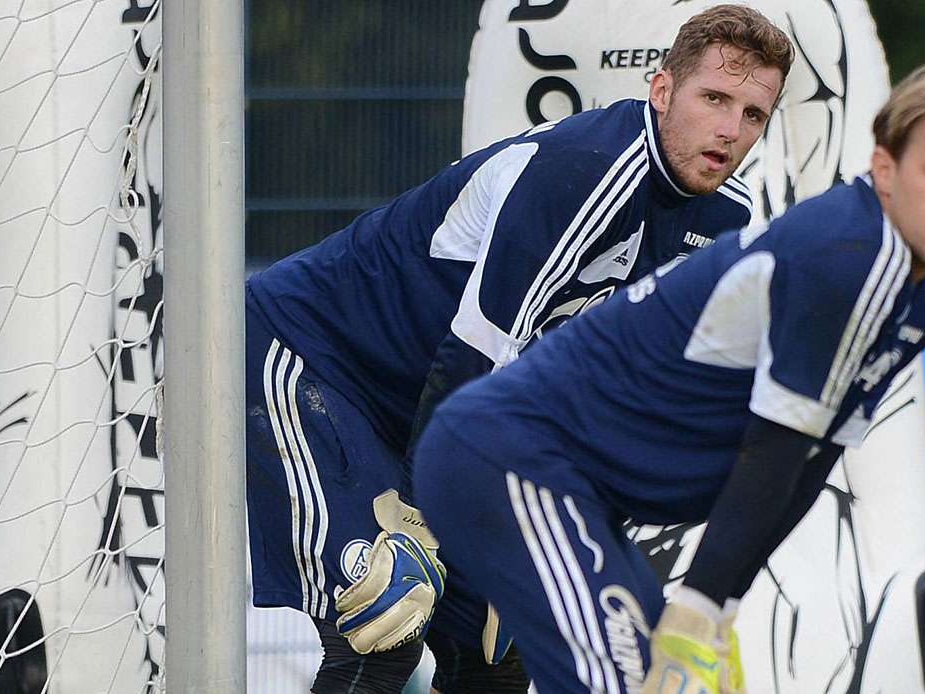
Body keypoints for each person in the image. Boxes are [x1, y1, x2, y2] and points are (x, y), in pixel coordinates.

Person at [410, 62, 925, 693]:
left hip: (578, 491)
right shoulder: (848, 256)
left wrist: (717, 610)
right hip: (511, 461)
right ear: (887, 169)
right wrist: (697, 613)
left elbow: (811, 463)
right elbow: (774, 455)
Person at [243, 5, 793, 692]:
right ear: (661, 91)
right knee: (386, 616)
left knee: (501, 647)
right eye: (713, 98)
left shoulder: (727, 220)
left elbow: (620, 399)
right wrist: (421, 521)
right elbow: (480, 352)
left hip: (435, 408)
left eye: (752, 114)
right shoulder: (588, 169)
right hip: (315, 358)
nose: (729, 129)